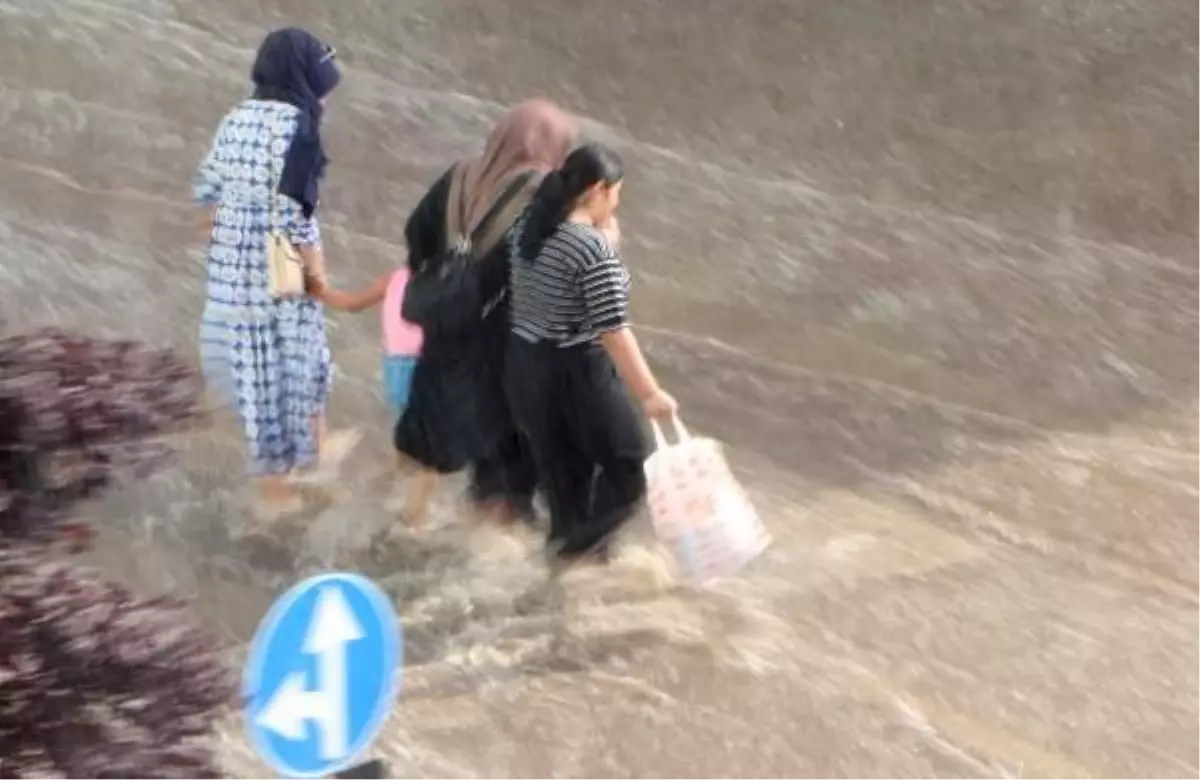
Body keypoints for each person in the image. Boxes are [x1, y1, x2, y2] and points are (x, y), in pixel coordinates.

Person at [382, 99, 578, 526]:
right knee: (503, 474)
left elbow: (417, 237)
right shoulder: (547, 195)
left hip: (446, 332)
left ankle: (405, 523)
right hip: (506, 350)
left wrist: (450, 274)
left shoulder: (459, 176)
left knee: (428, 444)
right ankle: (484, 542)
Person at [193, 27, 355, 516]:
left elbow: (208, 194)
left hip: (233, 264)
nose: (325, 101)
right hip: (282, 261)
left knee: (258, 371)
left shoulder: (234, 118)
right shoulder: (300, 130)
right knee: (302, 360)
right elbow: (295, 218)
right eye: (322, 89)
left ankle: (279, 486)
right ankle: (305, 475)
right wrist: (319, 277)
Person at [505, 142, 678, 566]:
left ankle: (568, 566)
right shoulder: (591, 248)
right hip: (575, 371)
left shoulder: (528, 226)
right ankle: (576, 556)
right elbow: (613, 329)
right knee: (630, 469)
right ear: (599, 189)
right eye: (617, 192)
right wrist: (651, 394)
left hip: (525, 367)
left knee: (566, 483)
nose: (618, 201)